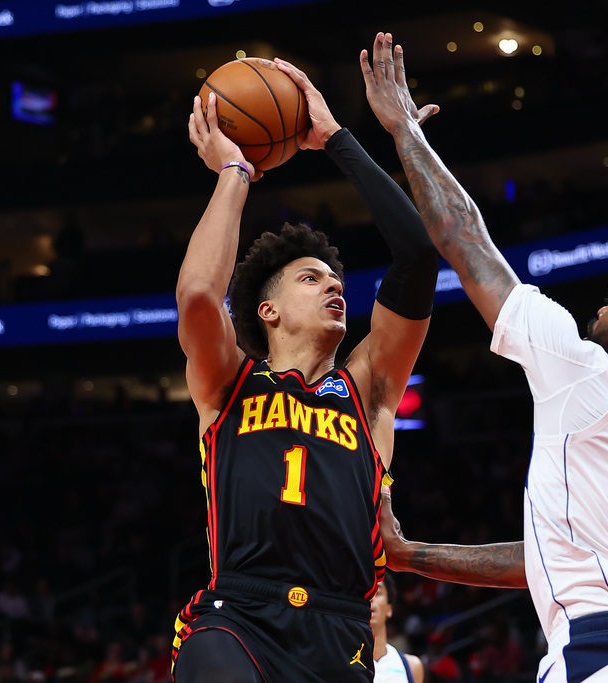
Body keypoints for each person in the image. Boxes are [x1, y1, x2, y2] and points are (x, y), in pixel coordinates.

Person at [362, 32, 608, 682]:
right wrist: (412, 554)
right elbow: (552, 553)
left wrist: (402, 132)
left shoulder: (586, 373)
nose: (598, 311)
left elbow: (463, 238)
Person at [171, 57, 438, 683]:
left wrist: (335, 140)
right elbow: (198, 298)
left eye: (337, 279)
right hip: (238, 616)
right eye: (311, 278)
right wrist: (235, 172)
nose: (333, 287)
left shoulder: (368, 389)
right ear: (267, 310)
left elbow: (419, 255)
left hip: (341, 631)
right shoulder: (229, 383)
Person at [371, 572, 424, 683]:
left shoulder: (411, 665)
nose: (371, 599)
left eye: (377, 592)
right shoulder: (340, 661)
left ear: (389, 609)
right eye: (366, 593)